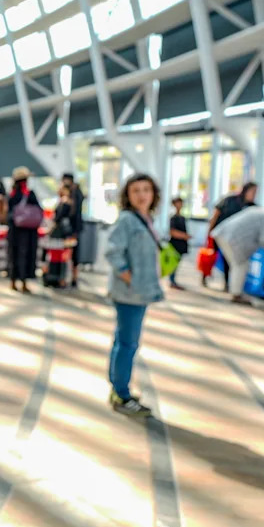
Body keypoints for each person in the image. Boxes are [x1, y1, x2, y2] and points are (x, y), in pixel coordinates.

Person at [105, 174, 165, 417]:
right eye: (136, 191)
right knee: (128, 343)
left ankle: (117, 388)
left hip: (140, 291)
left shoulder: (146, 219)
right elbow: (113, 251)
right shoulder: (127, 220)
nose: (142, 195)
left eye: (146, 190)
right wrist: (128, 275)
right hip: (129, 292)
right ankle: (121, 393)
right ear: (127, 196)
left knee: (123, 340)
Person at [212, 206, 264, 304]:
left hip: (224, 233)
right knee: (241, 265)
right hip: (232, 238)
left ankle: (235, 292)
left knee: (238, 265)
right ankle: (236, 294)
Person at [206, 182, 258, 288]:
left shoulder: (252, 207)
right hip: (219, 233)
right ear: (246, 190)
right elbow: (216, 214)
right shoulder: (230, 200)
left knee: (229, 260)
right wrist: (209, 231)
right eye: (253, 191)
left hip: (234, 238)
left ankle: (227, 283)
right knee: (211, 255)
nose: (254, 194)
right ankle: (205, 275)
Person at [5, 166, 42, 293]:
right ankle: (23, 281)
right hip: (27, 231)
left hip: (15, 230)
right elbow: (38, 210)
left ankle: (13, 281)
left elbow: (8, 214)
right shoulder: (28, 194)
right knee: (25, 255)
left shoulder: (12, 195)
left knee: (14, 254)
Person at [167, 196, 191, 291]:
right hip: (175, 243)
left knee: (177, 263)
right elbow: (172, 232)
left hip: (181, 244)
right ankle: (172, 281)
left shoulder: (182, 217)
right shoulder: (173, 218)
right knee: (173, 263)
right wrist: (184, 236)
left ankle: (173, 280)